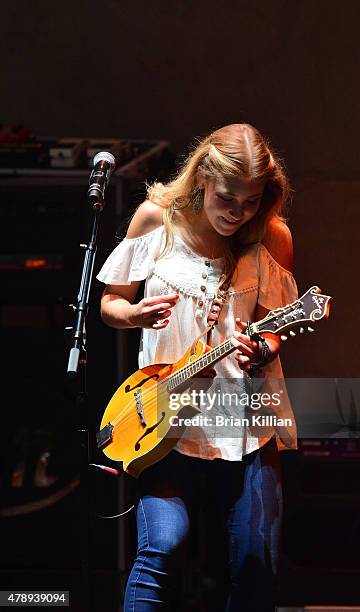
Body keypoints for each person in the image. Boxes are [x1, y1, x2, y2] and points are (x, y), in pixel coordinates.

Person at [96, 123, 298, 611]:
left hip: (246, 421)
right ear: (203, 177)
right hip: (164, 418)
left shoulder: (271, 235)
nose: (237, 212)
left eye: (251, 201)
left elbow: (273, 327)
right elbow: (110, 302)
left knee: (256, 562)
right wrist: (133, 314)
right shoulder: (155, 221)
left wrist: (265, 347)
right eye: (228, 198)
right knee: (162, 548)